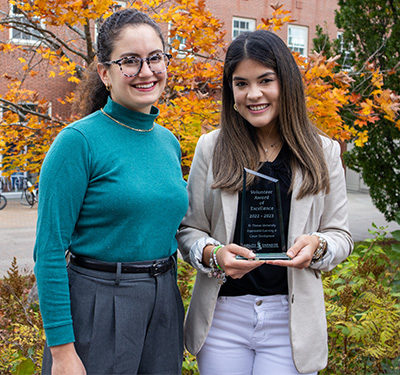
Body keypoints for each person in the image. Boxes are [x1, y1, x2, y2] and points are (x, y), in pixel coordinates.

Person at [177, 29, 353, 375]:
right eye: (241, 84)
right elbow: (189, 230)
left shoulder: (324, 151)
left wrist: (317, 246)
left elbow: (341, 235)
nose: (253, 94)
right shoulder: (211, 148)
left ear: (285, 82)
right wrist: (214, 254)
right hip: (222, 319)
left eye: (265, 80)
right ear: (231, 91)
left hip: (290, 321)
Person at [33, 8, 188, 375]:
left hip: (164, 302)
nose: (146, 71)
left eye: (155, 58)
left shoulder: (168, 142)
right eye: (130, 61)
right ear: (105, 73)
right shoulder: (77, 143)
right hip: (99, 305)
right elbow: (50, 251)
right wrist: (62, 352)